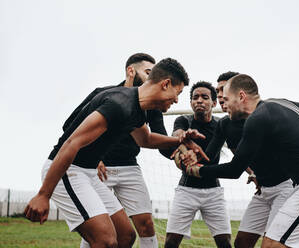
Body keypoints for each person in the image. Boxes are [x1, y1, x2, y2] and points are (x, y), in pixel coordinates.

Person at [24, 58, 207, 248]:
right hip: (68, 171)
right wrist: (43, 194)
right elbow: (72, 143)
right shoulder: (119, 104)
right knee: (105, 240)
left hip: (87, 173)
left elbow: (146, 139)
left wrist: (180, 140)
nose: (177, 99)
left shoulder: (137, 107)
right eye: (177, 93)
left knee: (125, 236)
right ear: (165, 84)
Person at [183, 74, 299, 248]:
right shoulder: (277, 104)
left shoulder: (257, 119)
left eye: (227, 98)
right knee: (254, 243)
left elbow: (234, 170)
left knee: (271, 245)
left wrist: (196, 170)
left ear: (241, 96)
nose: (223, 103)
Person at [63, 53, 167, 248]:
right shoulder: (103, 94)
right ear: (130, 71)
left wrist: (182, 148)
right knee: (97, 233)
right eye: (148, 72)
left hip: (130, 168)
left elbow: (157, 139)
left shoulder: (151, 105)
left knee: (146, 225)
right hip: (98, 170)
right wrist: (94, 158)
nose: (152, 78)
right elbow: (69, 126)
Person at [164, 81, 232, 248]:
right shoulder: (183, 120)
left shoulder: (221, 125)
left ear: (214, 103)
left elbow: (237, 150)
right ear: (191, 103)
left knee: (224, 243)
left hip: (213, 192)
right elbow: (177, 133)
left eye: (204, 97)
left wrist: (252, 172)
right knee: (171, 242)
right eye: (195, 97)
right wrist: (183, 138)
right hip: (186, 190)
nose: (199, 100)